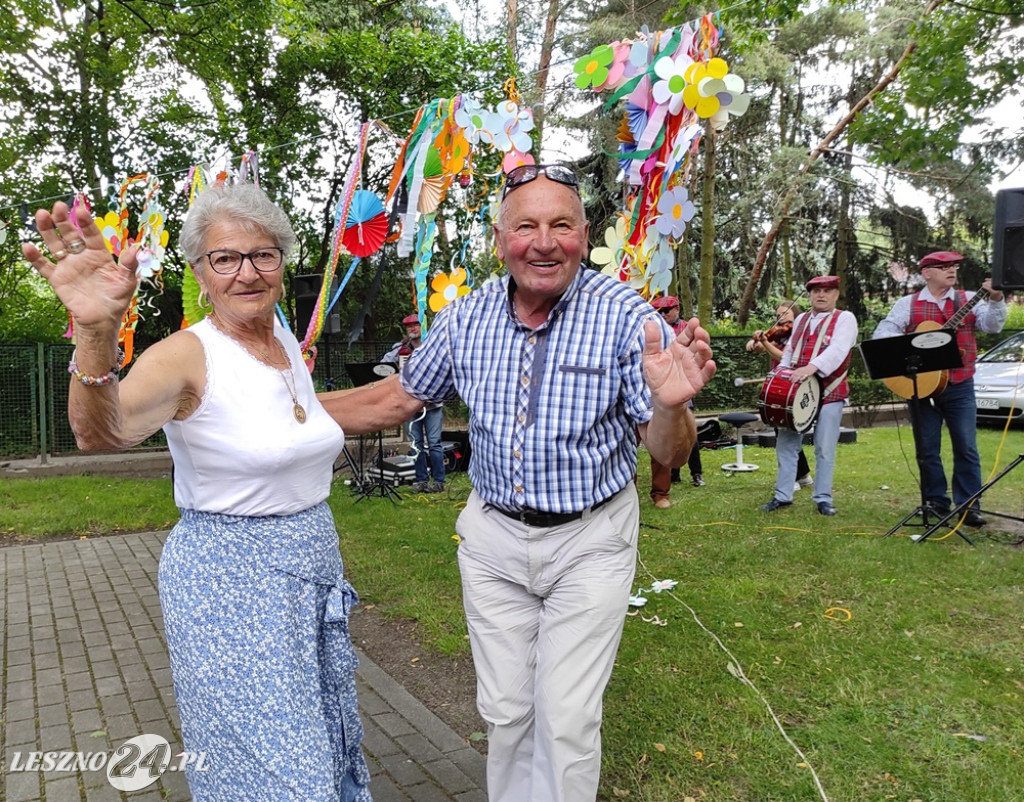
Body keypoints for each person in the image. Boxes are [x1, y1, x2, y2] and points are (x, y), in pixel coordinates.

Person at [321, 163, 716, 802]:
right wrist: (287, 405)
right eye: (526, 226)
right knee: (505, 713)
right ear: (501, 239)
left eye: (562, 225)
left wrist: (671, 405)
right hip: (493, 542)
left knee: (566, 720)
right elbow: (397, 398)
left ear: (583, 236)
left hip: (590, 540)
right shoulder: (467, 317)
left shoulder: (626, 318)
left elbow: (667, 450)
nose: (544, 242)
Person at [22, 183, 372, 802]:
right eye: (225, 258)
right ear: (200, 273)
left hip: (308, 573)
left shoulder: (281, 340)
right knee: (281, 769)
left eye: (263, 255)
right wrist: (96, 334)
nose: (247, 272)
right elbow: (101, 432)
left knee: (320, 737)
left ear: (282, 262)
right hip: (229, 588)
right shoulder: (185, 355)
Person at [872, 250, 1006, 527]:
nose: (952, 270)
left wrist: (995, 299)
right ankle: (936, 502)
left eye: (954, 266)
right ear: (927, 273)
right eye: (944, 266)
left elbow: (992, 327)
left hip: (960, 385)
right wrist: (912, 346)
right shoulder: (908, 304)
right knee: (927, 449)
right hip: (921, 386)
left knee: (966, 447)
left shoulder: (969, 299)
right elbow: (883, 334)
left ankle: (969, 507)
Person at [760, 276, 858, 516]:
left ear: (836, 294)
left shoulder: (845, 319)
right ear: (810, 295)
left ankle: (823, 498)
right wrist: (782, 372)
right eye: (816, 291)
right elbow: (790, 351)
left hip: (830, 391)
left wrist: (811, 367)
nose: (821, 295)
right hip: (798, 391)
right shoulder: (801, 319)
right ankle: (783, 495)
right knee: (786, 444)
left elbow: (838, 350)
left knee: (824, 448)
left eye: (827, 291)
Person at [745, 299, 813, 493]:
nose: (781, 319)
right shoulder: (779, 334)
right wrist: (755, 342)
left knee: (786, 431)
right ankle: (803, 475)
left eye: (785, 314)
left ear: (796, 316)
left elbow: (784, 357)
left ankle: (791, 478)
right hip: (779, 385)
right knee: (784, 430)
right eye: (778, 316)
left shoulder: (799, 335)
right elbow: (757, 347)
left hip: (792, 385)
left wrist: (765, 342)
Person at [649, 295, 705, 508]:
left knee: (687, 433)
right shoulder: (653, 329)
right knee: (664, 432)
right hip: (659, 388)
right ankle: (673, 475)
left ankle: (696, 473)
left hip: (682, 385)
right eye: (659, 311)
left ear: (677, 309)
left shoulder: (686, 328)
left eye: (666, 311)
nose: (662, 315)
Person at [383, 314, 446, 493]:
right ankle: (421, 480)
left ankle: (439, 481)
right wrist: (396, 372)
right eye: (408, 326)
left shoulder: (432, 345)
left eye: (416, 325)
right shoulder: (400, 349)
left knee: (434, 443)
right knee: (415, 444)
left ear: (423, 326)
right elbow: (383, 364)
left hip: (432, 403)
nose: (412, 328)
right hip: (409, 403)